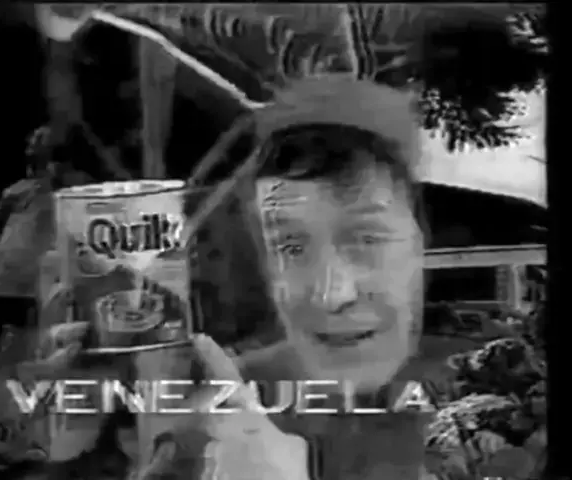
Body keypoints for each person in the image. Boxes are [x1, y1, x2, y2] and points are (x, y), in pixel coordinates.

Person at [26, 77, 431, 480]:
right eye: (290, 246)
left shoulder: (467, 402)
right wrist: (80, 454)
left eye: (366, 238)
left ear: (421, 240)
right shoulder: (218, 404)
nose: (332, 294)